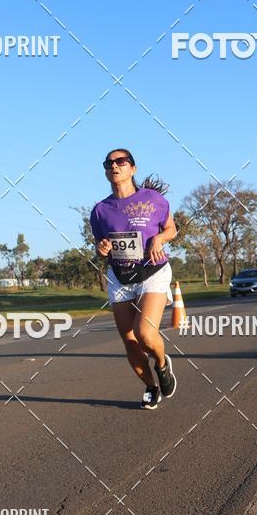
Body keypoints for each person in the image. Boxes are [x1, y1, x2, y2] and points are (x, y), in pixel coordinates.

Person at [90, 148, 178, 410]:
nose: (114, 166)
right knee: (129, 340)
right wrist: (101, 248)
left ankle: (162, 364)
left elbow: (171, 229)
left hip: (152, 271)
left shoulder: (153, 199)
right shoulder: (100, 210)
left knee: (145, 333)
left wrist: (158, 238)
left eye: (121, 161)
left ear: (133, 168)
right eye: (109, 163)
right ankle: (151, 387)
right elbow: (100, 244)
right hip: (120, 276)